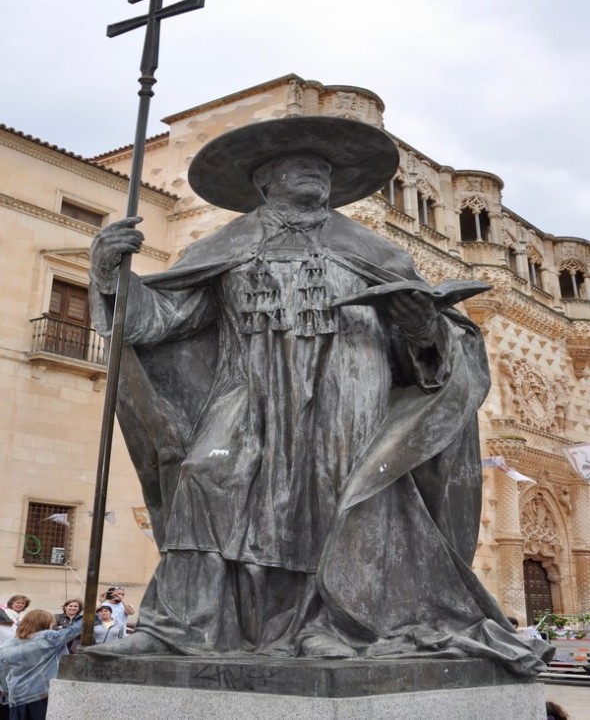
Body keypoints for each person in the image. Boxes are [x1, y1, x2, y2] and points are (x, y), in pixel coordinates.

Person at [88, 116, 552, 675]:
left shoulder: (374, 250)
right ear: (263, 181)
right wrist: (111, 273)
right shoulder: (224, 246)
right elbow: (158, 323)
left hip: (349, 391)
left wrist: (420, 326)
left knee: (331, 498)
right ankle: (177, 628)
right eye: (300, 165)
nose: (317, 173)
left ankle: (332, 625)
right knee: (204, 479)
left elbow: (430, 352)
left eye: (325, 168)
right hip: (248, 388)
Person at [0, 609, 81, 720]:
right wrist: (93, 615)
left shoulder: (6, 645)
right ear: (46, 624)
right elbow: (76, 629)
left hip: (17, 698)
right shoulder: (48, 638)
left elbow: (2, 674)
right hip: (42, 696)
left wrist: (9, 694)